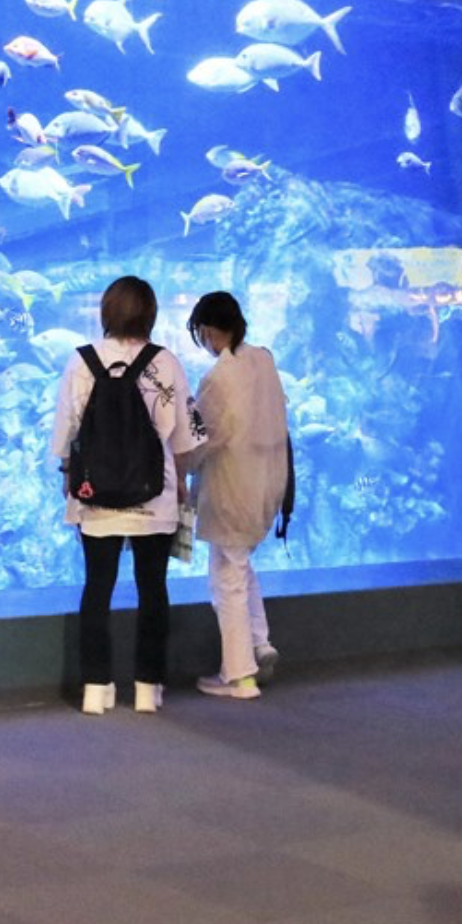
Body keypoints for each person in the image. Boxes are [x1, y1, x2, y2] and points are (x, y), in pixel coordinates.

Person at [50, 275, 203, 715]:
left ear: (106, 312)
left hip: (94, 498)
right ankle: (146, 687)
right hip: (154, 496)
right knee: (151, 588)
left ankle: (95, 688)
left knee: (97, 587)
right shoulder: (166, 362)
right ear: (151, 313)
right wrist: (183, 485)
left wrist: (67, 474)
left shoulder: (81, 362)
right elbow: (188, 438)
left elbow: (66, 431)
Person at [180, 291, 289, 700]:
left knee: (225, 578)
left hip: (231, 489)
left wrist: (178, 468)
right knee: (241, 566)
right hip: (266, 484)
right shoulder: (263, 359)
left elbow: (200, 435)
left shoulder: (219, 378)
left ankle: (239, 676)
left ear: (207, 330)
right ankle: (260, 644)